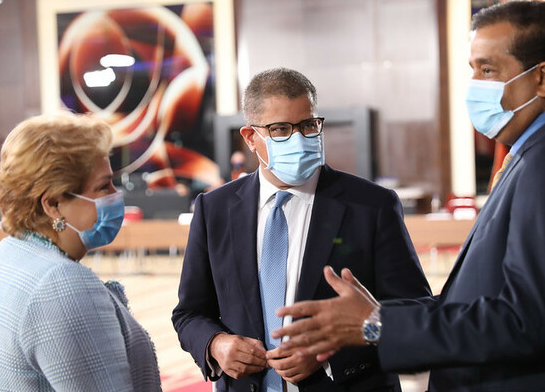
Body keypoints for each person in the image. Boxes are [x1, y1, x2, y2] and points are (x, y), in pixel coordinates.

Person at [273, 0, 545, 391]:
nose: (475, 84)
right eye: (473, 70)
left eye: (488, 69)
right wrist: (379, 313)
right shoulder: (544, 152)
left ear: (543, 79)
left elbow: (525, 321)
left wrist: (375, 326)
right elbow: (483, 297)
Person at [171, 67, 431, 392]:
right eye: (280, 129)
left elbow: (415, 309)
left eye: (308, 125)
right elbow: (189, 313)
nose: (299, 138)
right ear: (251, 138)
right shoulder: (215, 210)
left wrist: (329, 355)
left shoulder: (371, 206)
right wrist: (215, 344)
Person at [0, 113, 161, 391]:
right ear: (53, 204)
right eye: (102, 186)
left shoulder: (12, 250)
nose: (115, 194)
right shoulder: (62, 284)